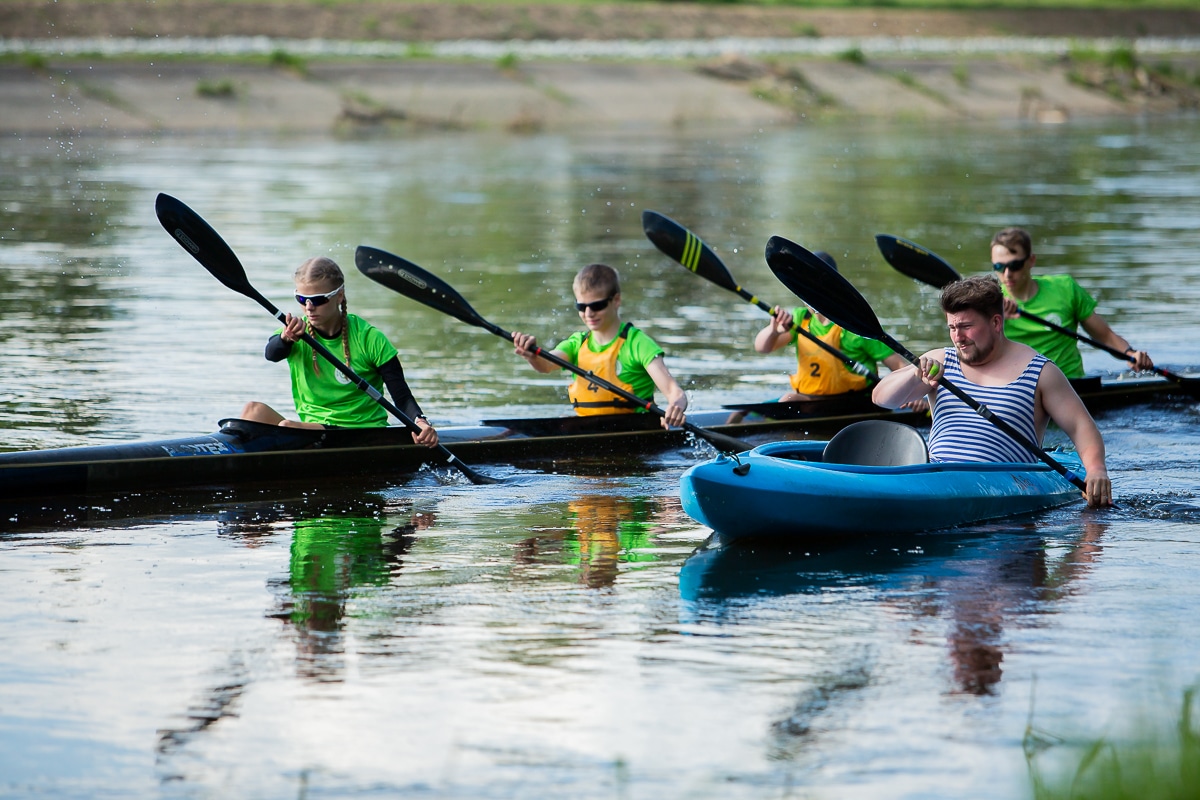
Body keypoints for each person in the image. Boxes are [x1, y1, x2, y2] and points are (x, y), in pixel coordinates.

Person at [872, 275, 1112, 507]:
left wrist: (1096, 470)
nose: (958, 337)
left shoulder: (1040, 372)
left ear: (996, 323)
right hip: (936, 480)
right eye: (952, 327)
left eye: (966, 326)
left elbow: (1081, 427)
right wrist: (913, 376)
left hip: (1005, 490)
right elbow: (882, 399)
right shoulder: (939, 361)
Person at [240, 256, 439, 446]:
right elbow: (272, 353)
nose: (309, 308)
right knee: (252, 411)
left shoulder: (369, 338)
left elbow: (401, 395)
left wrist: (420, 422)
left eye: (318, 300)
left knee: (286, 427)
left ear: (339, 295)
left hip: (360, 432)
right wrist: (286, 339)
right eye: (302, 299)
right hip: (313, 429)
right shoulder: (293, 332)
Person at [510, 263, 687, 429]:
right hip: (587, 429)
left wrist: (675, 407)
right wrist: (532, 356)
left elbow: (675, 392)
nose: (588, 313)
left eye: (597, 305)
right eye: (581, 306)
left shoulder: (638, 344)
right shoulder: (577, 343)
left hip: (636, 430)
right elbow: (546, 365)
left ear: (616, 300)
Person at [991, 226, 1153, 379]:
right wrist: (996, 317)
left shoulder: (1065, 289)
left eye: (1015, 265)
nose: (1007, 274)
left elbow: (1105, 336)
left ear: (1031, 260)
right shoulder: (989, 303)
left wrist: (1131, 355)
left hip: (1069, 385)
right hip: (1020, 388)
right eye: (999, 266)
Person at [753, 251, 912, 401]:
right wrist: (774, 331)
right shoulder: (800, 318)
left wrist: (911, 395)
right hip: (811, 401)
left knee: (788, 400)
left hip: (855, 401)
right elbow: (762, 348)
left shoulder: (855, 326)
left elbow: (898, 365)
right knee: (740, 414)